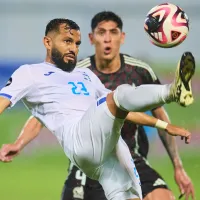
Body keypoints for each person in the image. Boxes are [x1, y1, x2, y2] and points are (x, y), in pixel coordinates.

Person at [0, 18, 195, 200]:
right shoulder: (30, 73)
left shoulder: (85, 75)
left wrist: (163, 125)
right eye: (67, 41)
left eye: (76, 44)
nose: (73, 48)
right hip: (79, 141)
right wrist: (19, 143)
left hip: (108, 152)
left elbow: (123, 108)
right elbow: (4, 103)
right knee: (118, 95)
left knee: (131, 196)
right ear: (47, 42)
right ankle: (171, 91)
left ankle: (173, 91)